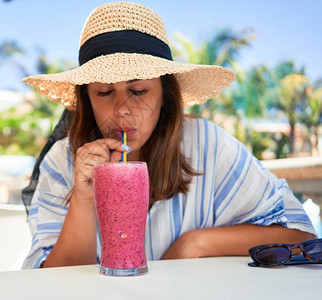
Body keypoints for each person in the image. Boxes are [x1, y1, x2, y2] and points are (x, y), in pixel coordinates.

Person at [21, 2, 316, 269]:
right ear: (86, 98)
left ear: (165, 95)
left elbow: (299, 235)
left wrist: (195, 244)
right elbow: (54, 281)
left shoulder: (207, 145)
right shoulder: (63, 161)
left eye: (139, 91)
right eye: (104, 92)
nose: (122, 110)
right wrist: (84, 198)